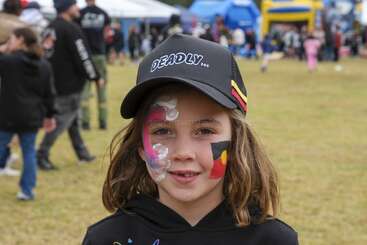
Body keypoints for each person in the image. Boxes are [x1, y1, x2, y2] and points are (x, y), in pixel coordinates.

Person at [82, 34, 298, 244]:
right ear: (140, 145)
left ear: (236, 141)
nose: (183, 152)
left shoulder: (272, 240)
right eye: (162, 131)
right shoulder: (107, 238)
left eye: (204, 131)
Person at [37, 0, 101, 170]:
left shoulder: (49, 27)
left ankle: (82, 153)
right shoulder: (71, 29)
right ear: (67, 7)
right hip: (69, 84)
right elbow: (83, 56)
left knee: (72, 121)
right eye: (74, 4)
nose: (77, 8)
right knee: (62, 120)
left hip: (51, 82)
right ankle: (42, 154)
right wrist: (95, 76)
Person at [0, 27, 56, 200]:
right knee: (29, 152)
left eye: (12, 39)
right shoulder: (44, 64)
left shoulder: (8, 61)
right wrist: (49, 115)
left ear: (21, 40)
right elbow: (49, 93)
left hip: (7, 114)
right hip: (32, 115)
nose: (9, 42)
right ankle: (27, 191)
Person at [79, 0, 111, 130]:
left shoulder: (80, 14)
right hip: (100, 55)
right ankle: (103, 122)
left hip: (85, 56)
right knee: (101, 88)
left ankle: (85, 123)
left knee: (85, 91)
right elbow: (107, 34)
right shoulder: (103, 14)